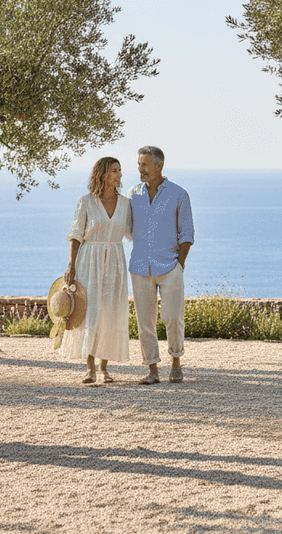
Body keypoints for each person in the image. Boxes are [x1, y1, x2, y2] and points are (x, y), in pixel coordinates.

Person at [62, 157, 133, 383]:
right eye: (114, 171)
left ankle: (105, 367)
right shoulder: (86, 202)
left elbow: (134, 234)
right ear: (103, 174)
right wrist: (71, 264)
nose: (119, 175)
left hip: (115, 261)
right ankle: (90, 368)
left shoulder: (125, 204)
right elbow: (75, 235)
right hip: (89, 261)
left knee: (111, 312)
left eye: (120, 170)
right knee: (91, 313)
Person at [128, 146, 194, 385]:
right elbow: (126, 227)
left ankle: (176, 362)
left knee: (173, 318)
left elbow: (187, 233)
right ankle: (152, 369)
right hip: (140, 267)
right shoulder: (133, 193)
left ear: (159, 166)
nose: (140, 169)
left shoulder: (178, 194)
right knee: (144, 321)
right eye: (139, 164)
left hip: (169, 267)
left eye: (144, 164)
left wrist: (180, 265)